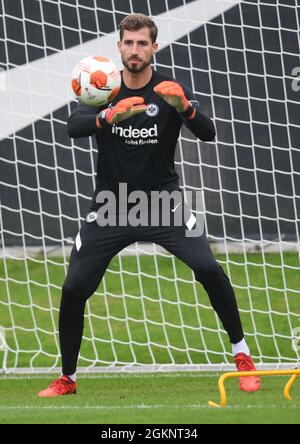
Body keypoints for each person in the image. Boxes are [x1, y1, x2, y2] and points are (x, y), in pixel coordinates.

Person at [38, 13, 261, 397]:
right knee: (74, 287)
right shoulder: (103, 87)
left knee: (208, 266)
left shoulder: (169, 89)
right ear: (119, 47)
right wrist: (110, 115)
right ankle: (67, 378)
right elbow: (74, 126)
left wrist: (185, 106)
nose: (135, 50)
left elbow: (208, 133)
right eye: (129, 43)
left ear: (154, 47)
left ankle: (242, 357)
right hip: (111, 206)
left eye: (143, 43)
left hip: (165, 201)